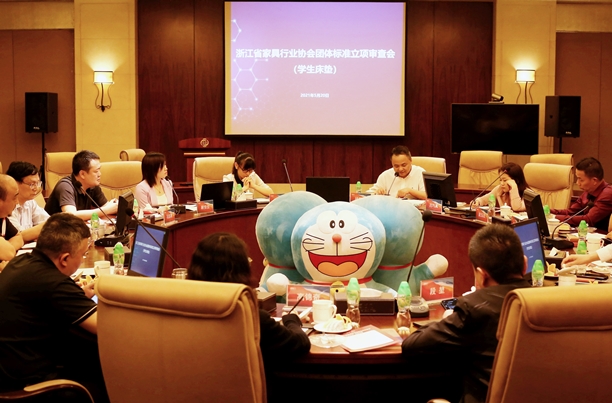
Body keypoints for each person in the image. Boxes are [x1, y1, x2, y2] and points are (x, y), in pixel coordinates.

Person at [402, 224, 530, 403]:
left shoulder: (474, 308)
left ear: (481, 275)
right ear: (525, 265)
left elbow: (412, 346)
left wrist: (447, 319)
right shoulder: (550, 303)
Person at [0, 213, 108, 402]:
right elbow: (107, 326)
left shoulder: (21, 262)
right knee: (109, 375)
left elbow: (44, 301)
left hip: (9, 367)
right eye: (82, 254)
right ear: (64, 259)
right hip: (28, 383)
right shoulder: (54, 283)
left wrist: (78, 296)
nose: (82, 258)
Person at [187, 232, 310, 367]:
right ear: (240, 270)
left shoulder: (184, 309)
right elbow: (301, 344)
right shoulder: (250, 316)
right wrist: (291, 320)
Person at [45, 150, 118, 219]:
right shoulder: (65, 186)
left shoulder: (92, 185)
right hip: (55, 227)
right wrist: (107, 209)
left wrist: (116, 206)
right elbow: (71, 215)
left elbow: (107, 207)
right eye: (96, 171)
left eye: (99, 170)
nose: (99, 174)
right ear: (82, 174)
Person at [551, 157, 612, 230]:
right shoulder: (588, 191)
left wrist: (554, 217)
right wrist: (549, 212)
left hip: (601, 235)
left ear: (594, 180)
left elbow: (588, 220)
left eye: (581, 180)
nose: (577, 183)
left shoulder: (607, 194)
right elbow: (571, 212)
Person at [6, 161, 49, 242]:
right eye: (32, 184)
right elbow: (18, 236)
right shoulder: (6, 206)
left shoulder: (30, 202)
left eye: (38, 183)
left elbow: (46, 221)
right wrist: (47, 226)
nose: (36, 188)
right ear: (15, 183)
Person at [0, 174, 24, 265]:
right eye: (14, 198)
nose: (17, 202)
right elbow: (9, 254)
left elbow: (19, 238)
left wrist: (7, 246)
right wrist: (7, 250)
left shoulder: (3, 218)